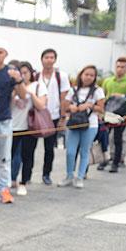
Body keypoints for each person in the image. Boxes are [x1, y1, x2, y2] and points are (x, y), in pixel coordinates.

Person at [0, 43, 25, 203]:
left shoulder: (11, 72)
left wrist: (19, 80)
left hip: (4, 120)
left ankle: (4, 188)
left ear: (5, 54)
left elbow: (22, 95)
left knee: (4, 158)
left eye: (0, 52)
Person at [59, 65, 105, 188]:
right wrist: (71, 108)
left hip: (90, 124)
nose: (88, 77)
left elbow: (101, 109)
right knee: (70, 152)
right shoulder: (73, 90)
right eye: (86, 74)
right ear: (81, 75)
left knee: (84, 151)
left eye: (92, 75)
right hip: (74, 124)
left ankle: (80, 177)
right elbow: (65, 106)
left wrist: (90, 106)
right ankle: (69, 175)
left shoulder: (97, 91)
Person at [100, 57, 126, 172]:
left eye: (122, 67)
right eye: (118, 66)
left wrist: (122, 96)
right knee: (104, 138)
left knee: (118, 139)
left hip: (121, 114)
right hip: (107, 113)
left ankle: (116, 163)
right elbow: (102, 97)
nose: (120, 69)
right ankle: (104, 159)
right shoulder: (108, 81)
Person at [10, 61, 43, 195]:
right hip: (12, 126)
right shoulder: (13, 86)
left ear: (31, 73)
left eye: (26, 73)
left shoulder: (37, 86)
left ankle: (24, 182)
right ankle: (10, 180)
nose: (23, 75)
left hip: (29, 126)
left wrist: (31, 94)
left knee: (27, 155)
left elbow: (41, 105)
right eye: (20, 73)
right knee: (9, 155)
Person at [38, 48, 70, 185]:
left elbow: (64, 97)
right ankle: (26, 176)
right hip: (37, 115)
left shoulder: (60, 76)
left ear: (55, 59)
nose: (49, 60)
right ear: (42, 59)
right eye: (46, 57)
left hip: (54, 115)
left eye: (52, 57)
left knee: (49, 147)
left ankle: (46, 174)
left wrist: (62, 117)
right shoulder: (36, 75)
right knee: (30, 147)